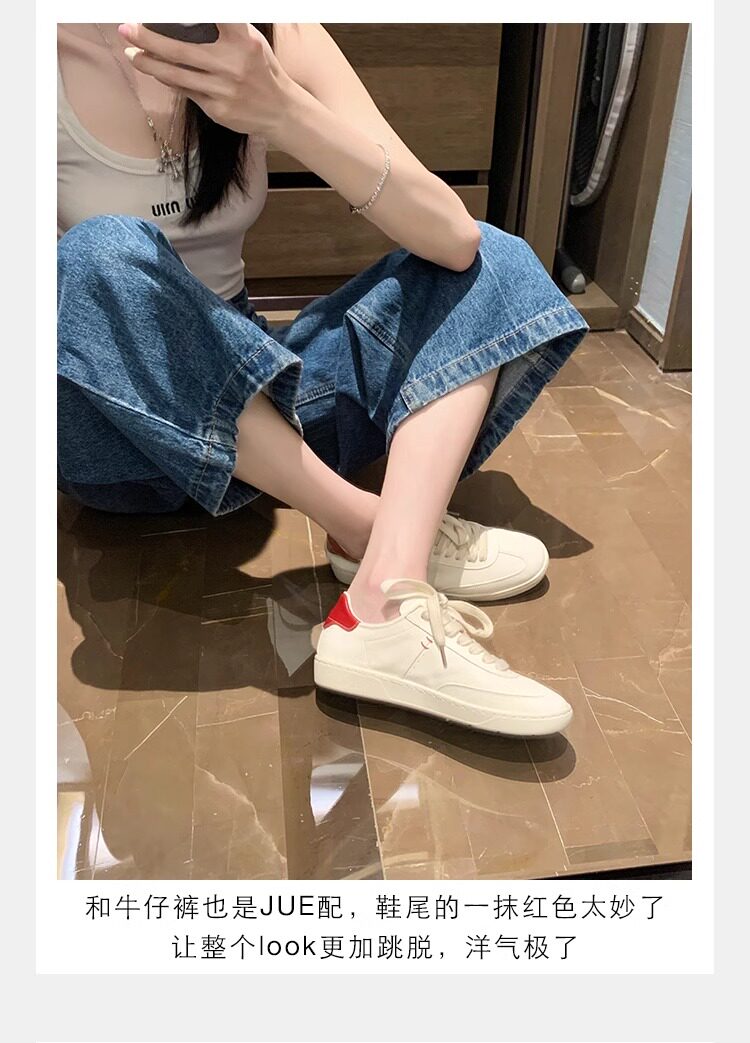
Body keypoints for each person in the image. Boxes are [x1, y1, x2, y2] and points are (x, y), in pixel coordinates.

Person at [57, 23, 588, 737]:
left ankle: (384, 596)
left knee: (492, 260)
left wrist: (282, 110)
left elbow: (453, 238)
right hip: (117, 429)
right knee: (96, 255)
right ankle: (366, 525)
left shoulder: (277, 34)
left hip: (258, 386)